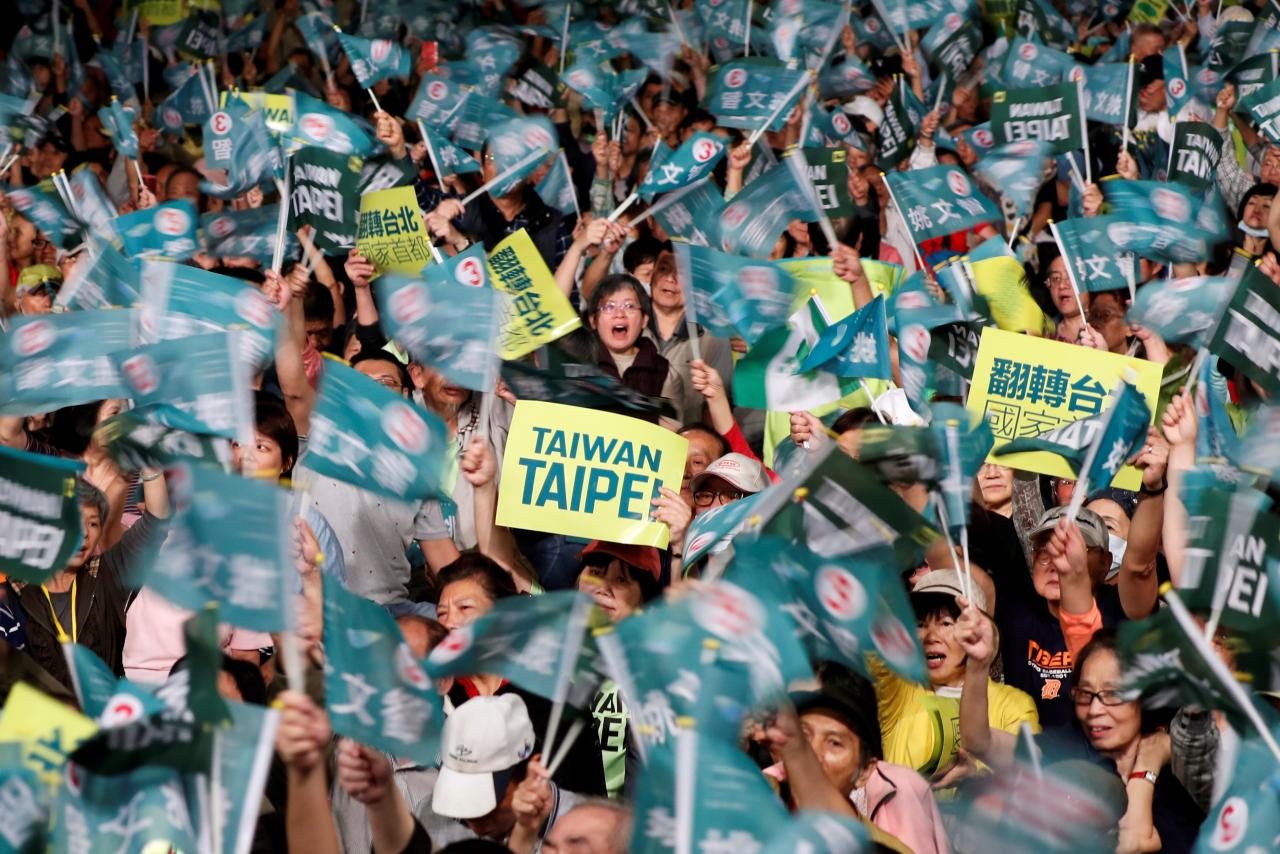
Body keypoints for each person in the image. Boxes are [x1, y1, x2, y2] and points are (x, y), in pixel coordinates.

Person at [436, 555, 608, 797]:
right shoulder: (435, 697)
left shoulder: (553, 697)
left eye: (464, 608)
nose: (450, 623)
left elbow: (586, 797)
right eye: (441, 613)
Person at [871, 570, 1040, 784]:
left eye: (946, 623)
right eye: (920, 625)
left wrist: (975, 778)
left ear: (978, 631)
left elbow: (1028, 780)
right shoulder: (900, 691)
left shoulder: (1013, 705)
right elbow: (874, 634)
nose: (931, 636)